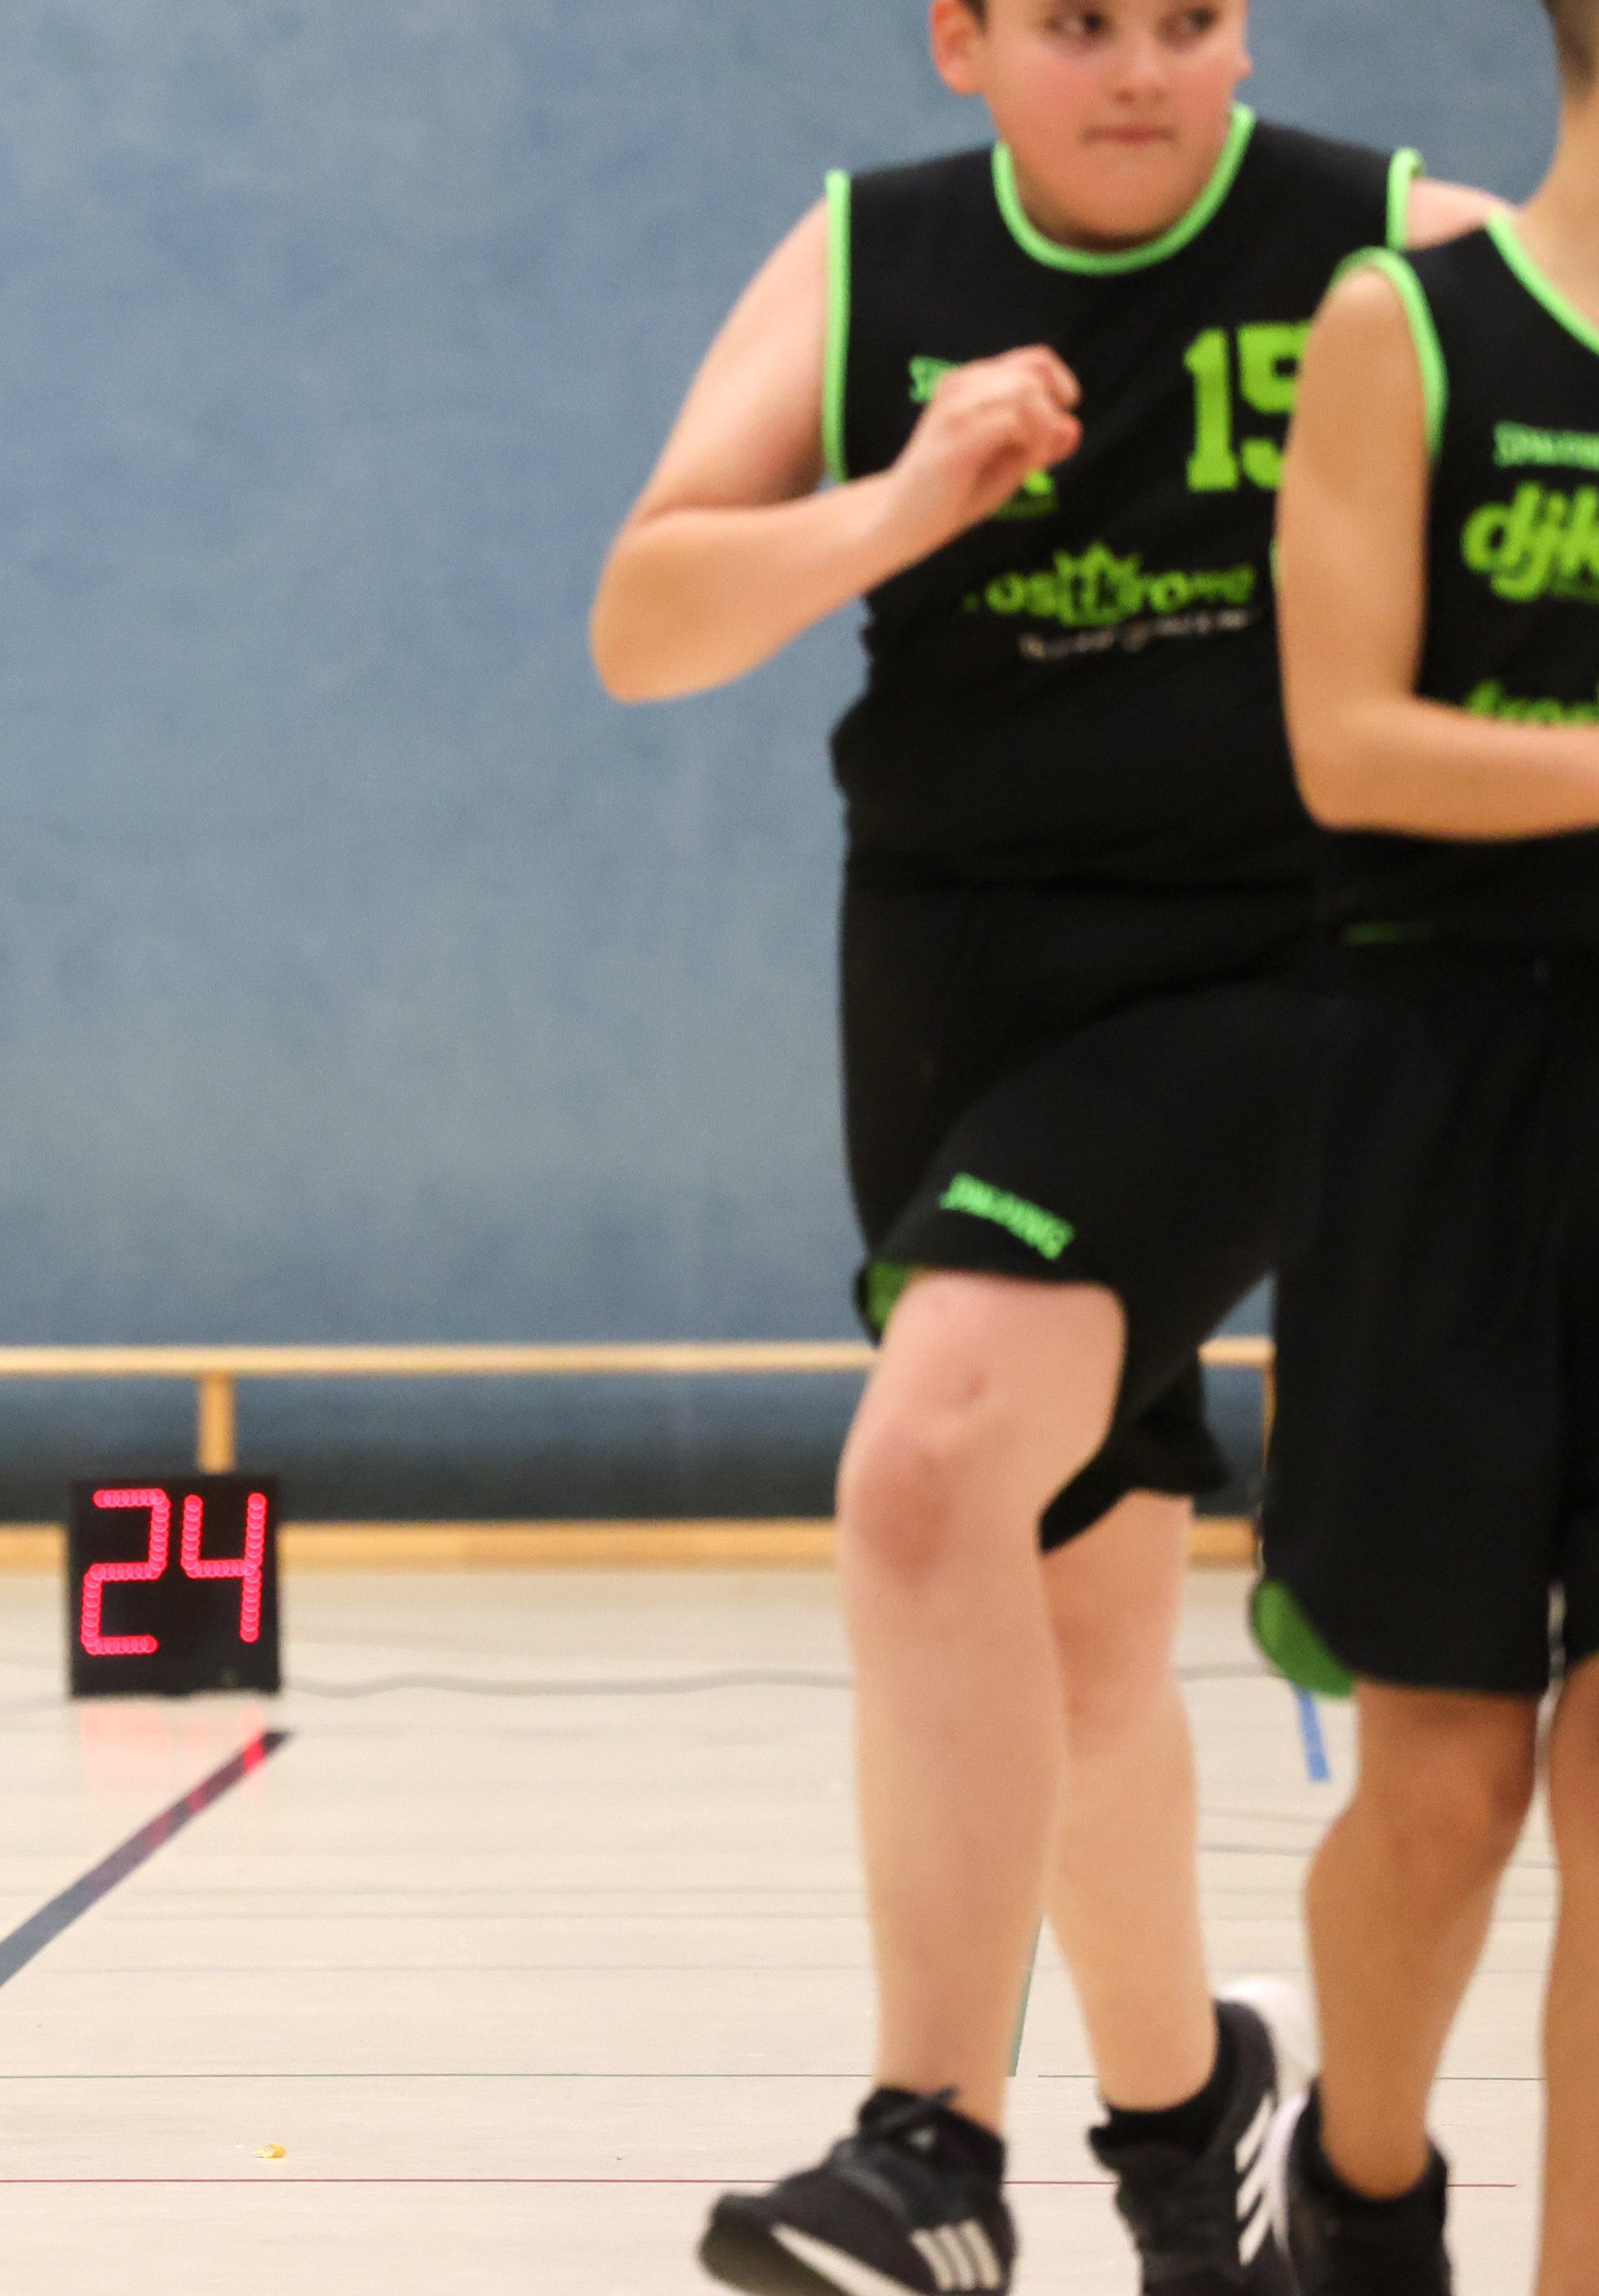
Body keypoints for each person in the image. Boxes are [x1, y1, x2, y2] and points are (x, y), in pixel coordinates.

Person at [588, 5, 1493, 2289]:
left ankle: (930, 2145)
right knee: (1074, 1628)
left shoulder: (1390, 240)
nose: (1143, 70)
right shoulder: (867, 260)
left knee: (923, 1472)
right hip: (960, 974)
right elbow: (645, 624)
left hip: (1283, 961)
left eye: (1192, 18)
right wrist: (901, 503)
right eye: (1079, 22)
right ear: (963, 41)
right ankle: (1193, 2134)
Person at [1261, 6, 1599, 2288]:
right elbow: (1349, 740)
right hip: (1449, 1092)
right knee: (1451, 1786)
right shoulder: (1414, 324)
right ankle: (1359, 2191)